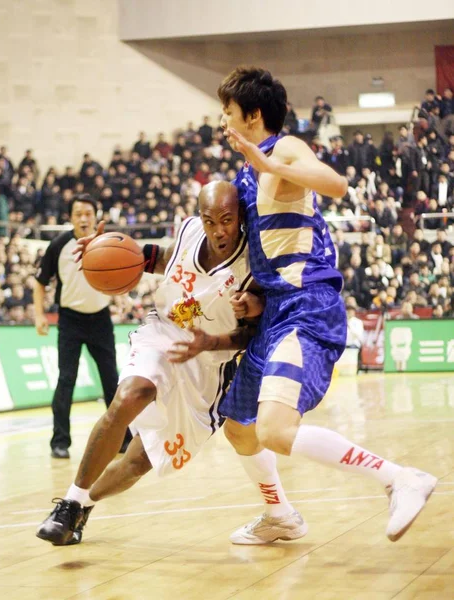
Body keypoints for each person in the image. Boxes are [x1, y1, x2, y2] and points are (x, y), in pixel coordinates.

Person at [193, 66, 436, 544]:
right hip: (276, 312)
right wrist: (255, 297)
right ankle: (280, 515)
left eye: (228, 111)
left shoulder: (280, 150)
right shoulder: (247, 171)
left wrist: (273, 168)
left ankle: (399, 478)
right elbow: (269, 247)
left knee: (276, 430)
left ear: (253, 114)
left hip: (306, 307)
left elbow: (334, 183)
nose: (223, 120)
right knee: (240, 428)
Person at [36, 181, 306, 546]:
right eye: (210, 220)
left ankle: (85, 505)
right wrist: (105, 251)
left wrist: (214, 340)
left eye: (227, 220)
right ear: (199, 218)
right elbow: (164, 258)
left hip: (210, 366)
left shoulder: (253, 264)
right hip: (166, 330)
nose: (218, 229)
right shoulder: (190, 232)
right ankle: (69, 502)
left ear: (240, 218)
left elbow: (250, 335)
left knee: (139, 461)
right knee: (130, 395)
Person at [34, 193, 132, 459]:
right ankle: (60, 441)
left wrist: (123, 298)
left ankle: (124, 438)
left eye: (88, 213)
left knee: (112, 379)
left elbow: (122, 274)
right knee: (66, 379)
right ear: (70, 217)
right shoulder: (58, 245)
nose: (84, 218)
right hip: (70, 321)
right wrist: (39, 314)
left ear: (96, 216)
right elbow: (40, 282)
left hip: (100, 318)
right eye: (78, 214)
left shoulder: (107, 243)